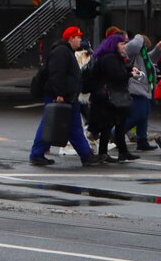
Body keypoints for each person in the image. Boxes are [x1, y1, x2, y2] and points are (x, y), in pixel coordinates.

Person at [28, 26, 96, 167]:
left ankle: (85, 155)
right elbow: (56, 74)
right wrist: (59, 93)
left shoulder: (66, 51)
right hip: (61, 96)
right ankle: (85, 155)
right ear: (70, 38)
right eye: (78, 37)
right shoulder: (61, 52)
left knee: (69, 125)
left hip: (67, 96)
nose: (80, 40)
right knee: (53, 124)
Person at [86, 32, 138, 164]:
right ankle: (104, 153)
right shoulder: (110, 58)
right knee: (108, 125)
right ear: (115, 45)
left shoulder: (111, 57)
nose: (124, 46)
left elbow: (119, 71)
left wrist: (130, 69)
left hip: (110, 96)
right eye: (122, 43)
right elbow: (116, 76)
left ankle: (122, 152)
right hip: (108, 97)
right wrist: (130, 74)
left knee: (119, 123)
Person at [123, 33, 161, 151]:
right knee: (137, 115)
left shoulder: (143, 55)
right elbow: (134, 44)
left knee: (144, 116)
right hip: (137, 89)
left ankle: (142, 140)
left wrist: (158, 48)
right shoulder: (131, 51)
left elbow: (152, 58)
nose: (146, 48)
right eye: (145, 46)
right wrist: (139, 36)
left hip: (146, 89)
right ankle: (115, 132)